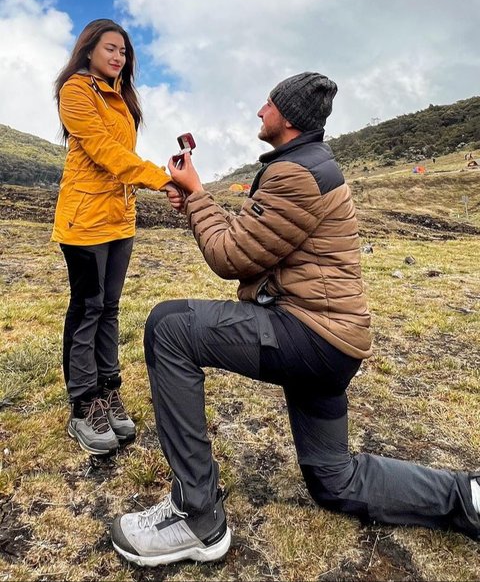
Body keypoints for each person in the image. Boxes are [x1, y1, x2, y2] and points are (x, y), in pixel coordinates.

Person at [111, 72, 480, 567]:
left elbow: (230, 257)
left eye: (268, 103)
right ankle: (468, 497)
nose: (259, 110)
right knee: (334, 480)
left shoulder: (295, 174)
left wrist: (197, 194)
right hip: (332, 340)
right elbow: (251, 239)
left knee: (168, 327)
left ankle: (195, 517)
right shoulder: (307, 165)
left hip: (311, 336)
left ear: (285, 116)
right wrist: (195, 200)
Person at [52, 18, 174, 456]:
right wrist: (160, 179)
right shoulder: (76, 91)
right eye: (110, 48)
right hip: (84, 221)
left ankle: (107, 389)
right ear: (88, 51)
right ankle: (83, 403)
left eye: (123, 51)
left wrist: (153, 181)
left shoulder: (121, 97)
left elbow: (124, 155)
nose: (118, 56)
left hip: (119, 219)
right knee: (86, 308)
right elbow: (105, 152)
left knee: (109, 307)